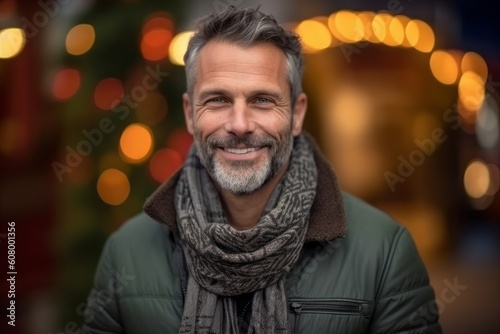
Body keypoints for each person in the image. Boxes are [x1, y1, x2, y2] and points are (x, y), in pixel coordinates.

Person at [82, 6, 442, 334]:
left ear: (297, 114)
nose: (240, 124)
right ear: (191, 114)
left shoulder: (384, 253)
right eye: (218, 100)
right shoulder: (125, 254)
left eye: (263, 100)